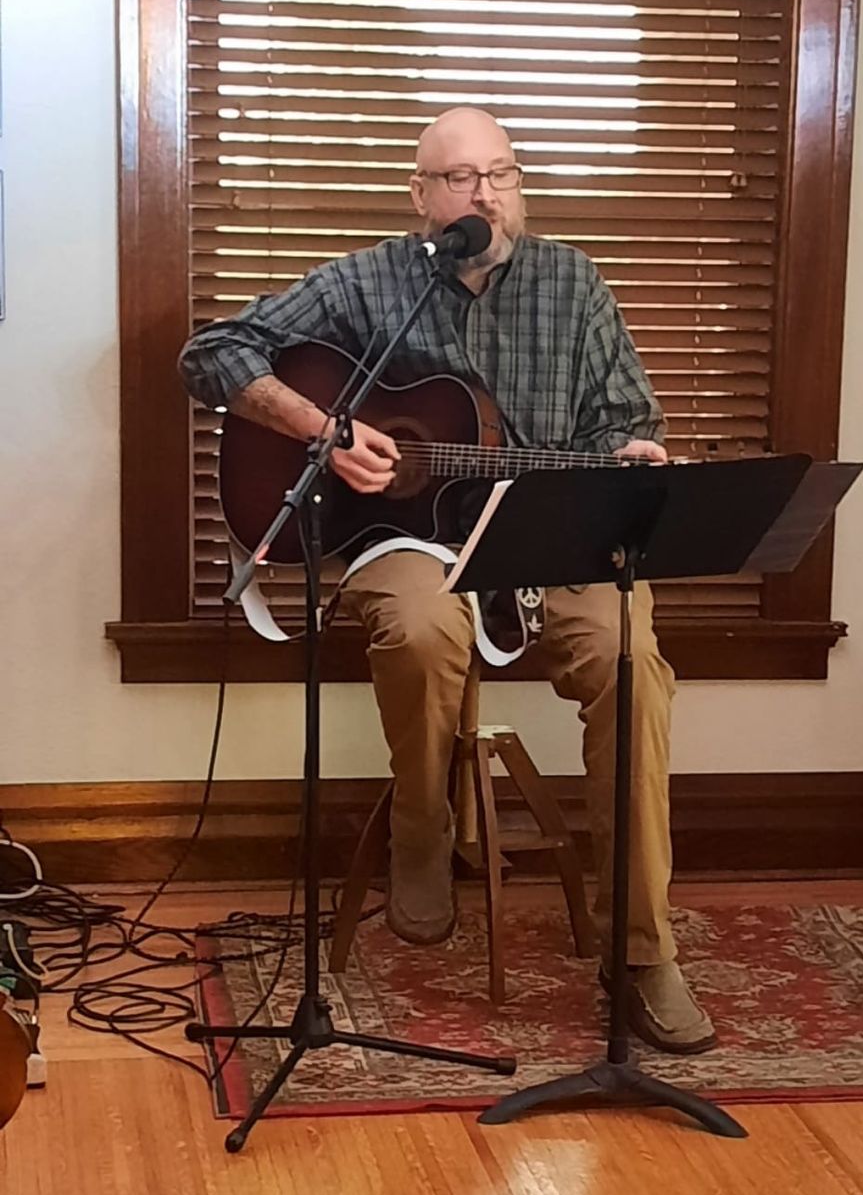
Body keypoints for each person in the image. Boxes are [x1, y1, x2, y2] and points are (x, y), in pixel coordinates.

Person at [179, 107, 715, 1054]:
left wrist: (633, 453)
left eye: (501, 175)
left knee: (628, 660)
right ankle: (422, 828)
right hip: (411, 537)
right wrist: (325, 431)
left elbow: (623, 420)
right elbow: (211, 354)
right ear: (421, 195)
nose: (486, 197)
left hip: (555, 530)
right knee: (423, 629)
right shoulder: (368, 280)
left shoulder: (573, 281)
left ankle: (640, 949)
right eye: (462, 179)